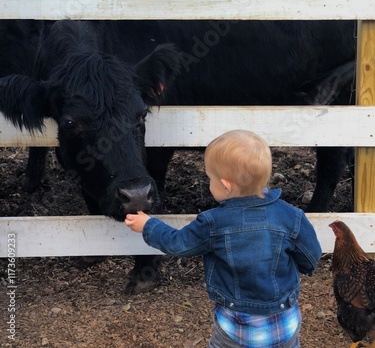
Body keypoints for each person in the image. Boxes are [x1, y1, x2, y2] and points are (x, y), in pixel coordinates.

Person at [125, 130, 322, 347]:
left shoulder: (213, 223)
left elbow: (177, 243)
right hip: (284, 323)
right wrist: (303, 267)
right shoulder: (291, 216)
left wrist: (148, 225)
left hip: (236, 327)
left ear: (226, 186)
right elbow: (311, 255)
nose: (210, 184)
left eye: (210, 179)